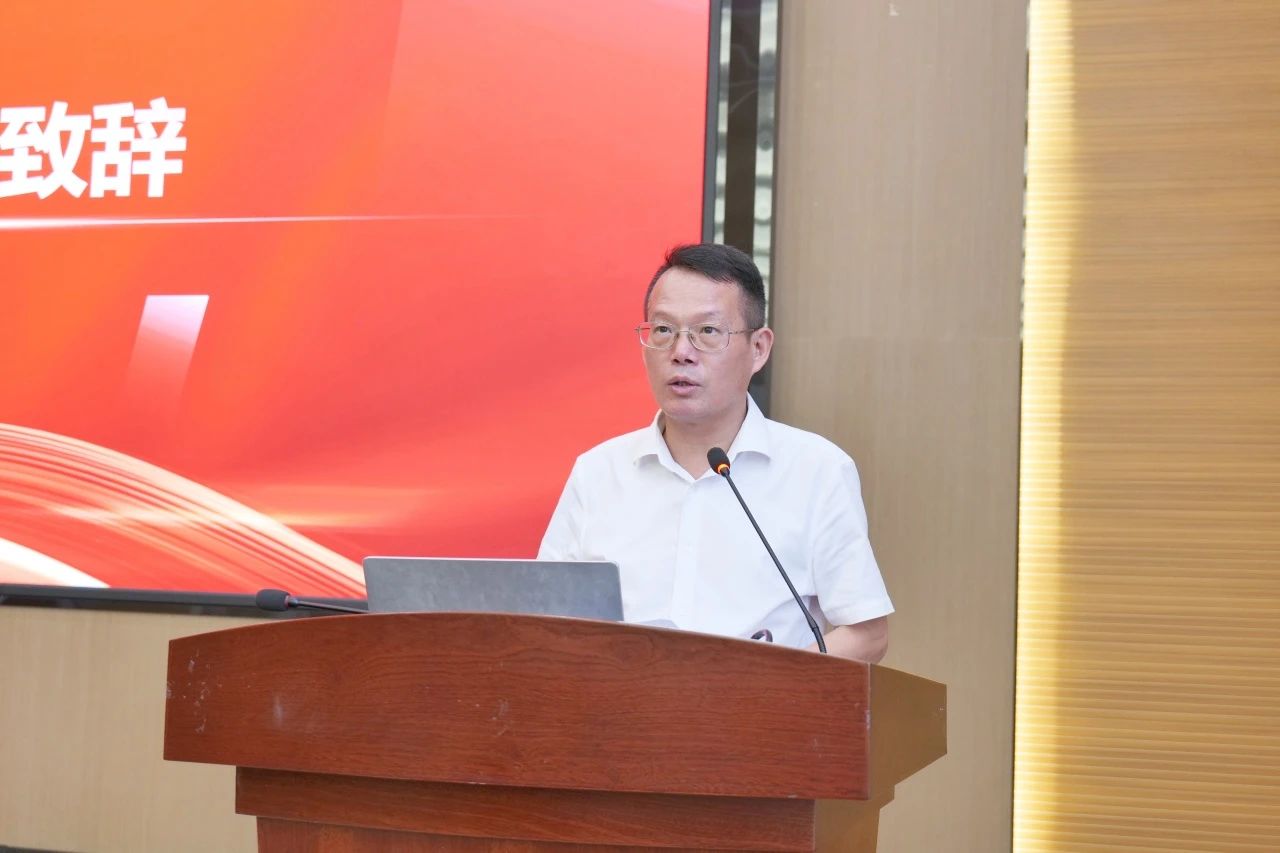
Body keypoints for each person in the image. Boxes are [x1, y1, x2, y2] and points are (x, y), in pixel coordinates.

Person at [538, 243, 892, 661]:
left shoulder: (817, 470)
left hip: (760, 701)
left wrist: (768, 686)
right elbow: (544, 619)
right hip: (619, 701)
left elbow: (866, 633)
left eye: (707, 332)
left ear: (758, 349)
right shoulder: (597, 472)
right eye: (663, 330)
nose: (680, 353)